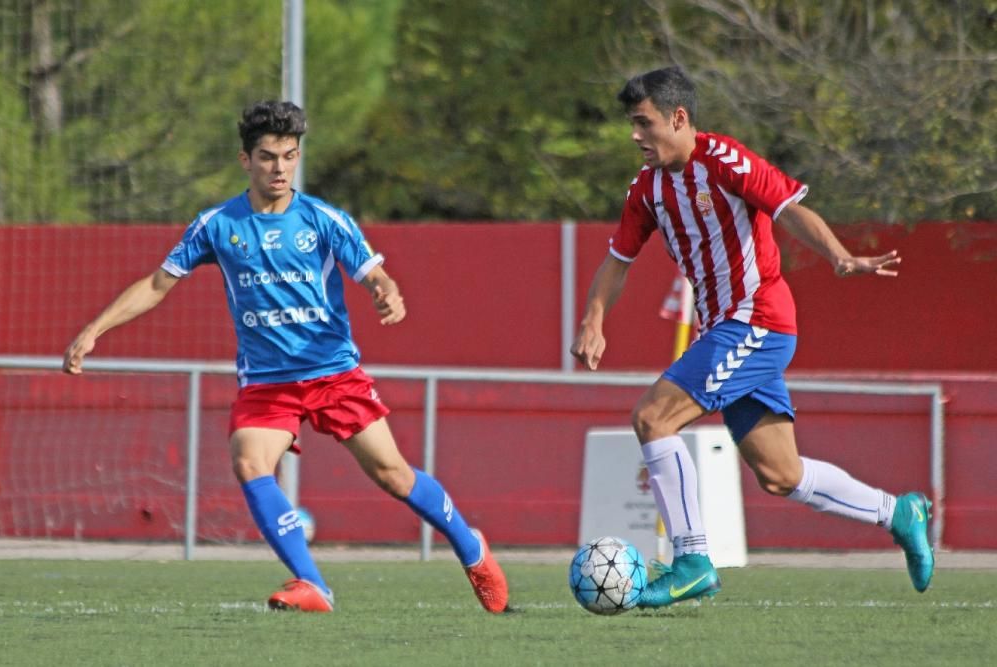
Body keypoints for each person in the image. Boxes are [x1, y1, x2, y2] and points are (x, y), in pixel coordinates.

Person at [62, 101, 509, 614]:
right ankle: (313, 584)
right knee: (249, 460)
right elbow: (158, 284)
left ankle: (472, 550)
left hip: (333, 374)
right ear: (245, 160)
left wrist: (388, 292)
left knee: (394, 477)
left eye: (289, 156)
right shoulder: (216, 225)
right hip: (267, 384)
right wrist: (96, 329)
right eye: (268, 157)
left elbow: (373, 272)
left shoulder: (323, 219)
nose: (279, 168)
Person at [570, 67, 934, 607]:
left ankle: (692, 559)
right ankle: (898, 512)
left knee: (653, 418)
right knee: (780, 474)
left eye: (643, 123)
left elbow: (789, 207)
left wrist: (838, 256)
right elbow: (618, 260)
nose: (635, 136)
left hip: (756, 322)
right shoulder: (647, 189)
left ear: (679, 117)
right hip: (727, 332)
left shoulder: (724, 161)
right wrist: (593, 317)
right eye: (631, 124)